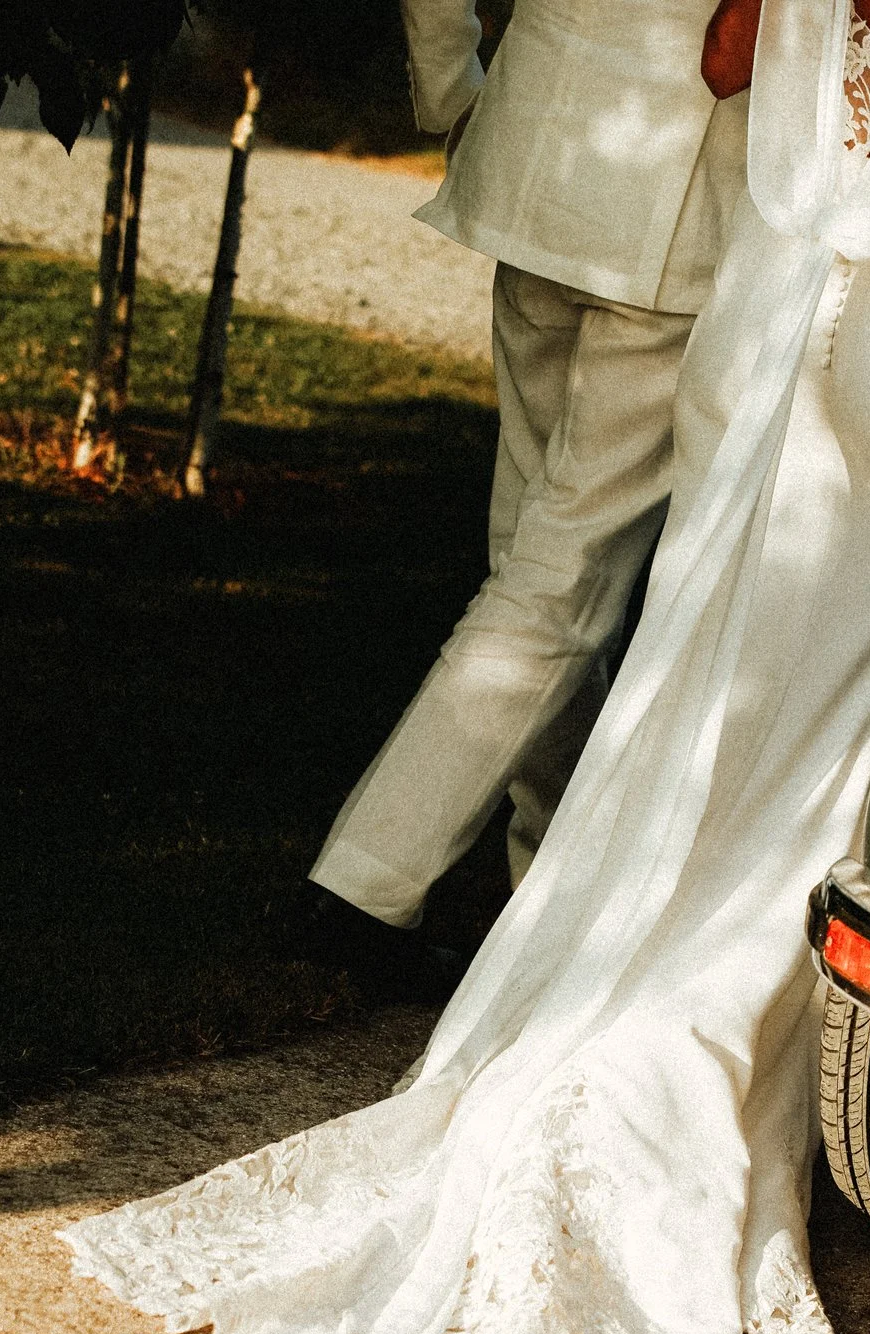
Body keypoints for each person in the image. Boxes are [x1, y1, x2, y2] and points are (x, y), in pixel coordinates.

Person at [52, 0, 870, 1334]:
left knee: (686, 691)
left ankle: (590, 970)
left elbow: (721, 62)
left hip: (760, 317)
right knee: (825, 727)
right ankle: (685, 1048)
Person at [302, 0, 750, 996]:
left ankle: (547, 885)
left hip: (542, 163)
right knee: (560, 583)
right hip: (672, 219)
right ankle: (366, 885)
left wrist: (454, 90)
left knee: (527, 561)